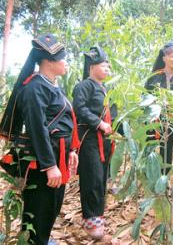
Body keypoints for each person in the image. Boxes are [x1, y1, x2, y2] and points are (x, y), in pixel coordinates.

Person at [0, 34, 79, 245]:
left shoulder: (52, 85)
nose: (66, 63)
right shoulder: (34, 88)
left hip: (57, 154)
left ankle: (42, 239)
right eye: (64, 58)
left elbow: (63, 121)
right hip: (42, 160)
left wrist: (71, 150)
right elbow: (38, 128)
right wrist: (49, 165)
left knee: (52, 205)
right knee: (39, 207)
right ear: (50, 62)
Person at [72, 46, 115, 239]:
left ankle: (99, 215)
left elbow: (112, 114)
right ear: (92, 66)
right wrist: (99, 123)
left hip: (105, 140)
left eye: (108, 66)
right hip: (89, 139)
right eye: (104, 65)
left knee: (102, 177)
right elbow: (79, 108)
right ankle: (91, 219)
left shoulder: (106, 88)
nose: (107, 69)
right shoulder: (84, 86)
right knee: (92, 177)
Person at [144, 42, 173, 174]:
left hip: (171, 119)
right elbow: (146, 96)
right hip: (154, 119)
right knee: (149, 147)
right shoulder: (154, 77)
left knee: (167, 147)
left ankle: (164, 177)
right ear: (164, 58)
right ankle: (148, 175)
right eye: (172, 56)